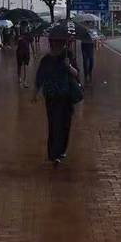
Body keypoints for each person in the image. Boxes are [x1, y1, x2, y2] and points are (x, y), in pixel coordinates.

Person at [33, 37, 79, 165]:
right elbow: (39, 77)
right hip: (52, 96)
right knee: (54, 124)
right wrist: (35, 93)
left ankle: (62, 149)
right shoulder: (46, 60)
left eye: (59, 42)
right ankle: (54, 153)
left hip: (66, 96)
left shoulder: (68, 55)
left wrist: (68, 65)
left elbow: (76, 73)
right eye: (54, 42)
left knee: (65, 124)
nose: (56, 44)